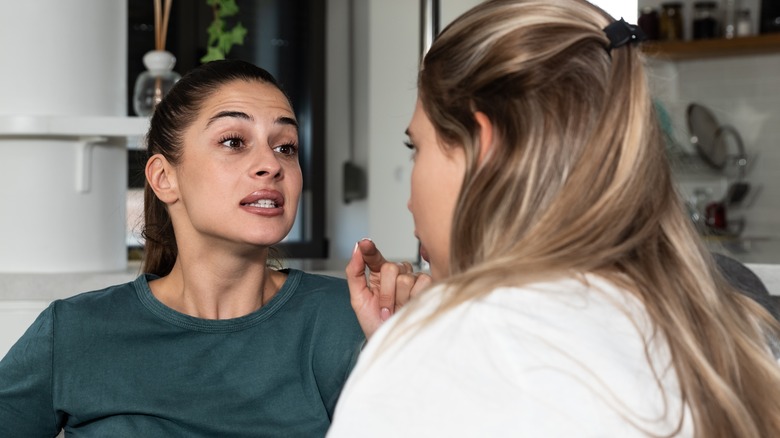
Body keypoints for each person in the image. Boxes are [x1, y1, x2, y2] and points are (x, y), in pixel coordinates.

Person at [328, 1, 780, 437]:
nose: (409, 200)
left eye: (416, 148)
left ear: (483, 153)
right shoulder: (726, 325)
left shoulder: (450, 355)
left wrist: (407, 355)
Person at [0, 60, 364, 436]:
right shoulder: (75, 331)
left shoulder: (348, 318)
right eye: (233, 142)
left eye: (286, 147)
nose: (271, 164)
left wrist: (399, 345)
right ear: (163, 178)